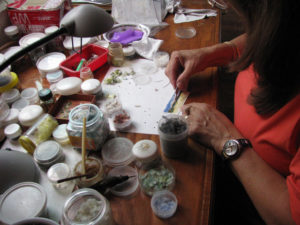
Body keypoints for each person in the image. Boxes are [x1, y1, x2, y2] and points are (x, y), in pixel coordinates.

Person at [165, 0, 300, 225]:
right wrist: (212, 53)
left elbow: (289, 216)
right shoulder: (285, 27)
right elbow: (267, 37)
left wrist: (226, 138)